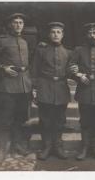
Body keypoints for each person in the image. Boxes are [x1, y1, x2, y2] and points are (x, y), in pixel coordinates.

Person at [0, 13, 32, 163]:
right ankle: (1, 151)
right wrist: (3, 67)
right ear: (10, 25)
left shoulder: (24, 42)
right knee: (4, 120)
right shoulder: (2, 40)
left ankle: (16, 146)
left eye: (21, 22)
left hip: (24, 86)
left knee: (20, 119)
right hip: (7, 87)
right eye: (15, 22)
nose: (18, 25)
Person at [68, 23, 95, 161]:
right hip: (84, 91)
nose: (92, 35)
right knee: (85, 121)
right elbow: (71, 68)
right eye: (90, 33)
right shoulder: (78, 50)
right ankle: (84, 147)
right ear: (86, 35)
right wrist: (79, 75)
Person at [32, 22, 72, 160]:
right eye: (53, 32)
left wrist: (76, 72)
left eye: (58, 32)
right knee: (45, 119)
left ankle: (58, 146)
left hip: (61, 89)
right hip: (45, 87)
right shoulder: (41, 51)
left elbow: (70, 72)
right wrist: (35, 89)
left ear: (63, 35)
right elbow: (35, 70)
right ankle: (47, 146)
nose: (56, 34)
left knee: (60, 120)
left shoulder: (68, 53)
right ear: (49, 35)